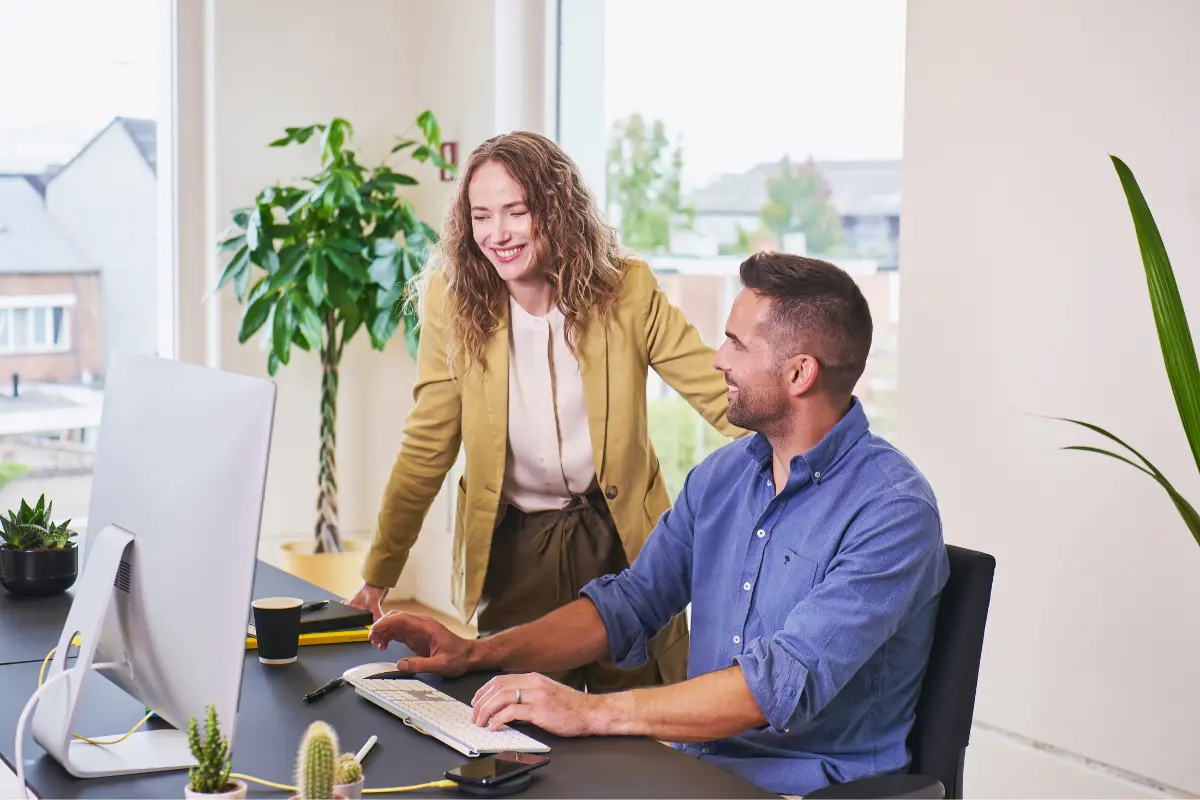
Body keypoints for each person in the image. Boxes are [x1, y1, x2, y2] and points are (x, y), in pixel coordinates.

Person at [367, 251, 950, 798]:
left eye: (736, 343)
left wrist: (589, 712)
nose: (719, 358)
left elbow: (775, 684)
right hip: (692, 770)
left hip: (806, 786)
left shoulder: (892, 513)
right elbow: (628, 604)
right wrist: (476, 654)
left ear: (799, 373)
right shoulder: (723, 478)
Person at [349, 131, 744, 692]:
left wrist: (808, 439)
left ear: (556, 210)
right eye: (481, 216)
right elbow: (427, 443)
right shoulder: (451, 299)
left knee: (632, 724)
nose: (498, 233)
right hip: (515, 549)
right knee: (517, 726)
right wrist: (379, 572)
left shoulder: (626, 289)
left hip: (621, 540)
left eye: (517, 211)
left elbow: (715, 391)